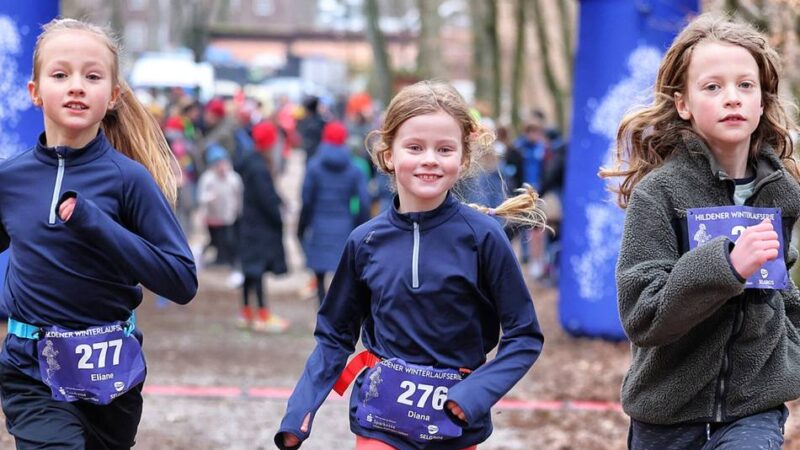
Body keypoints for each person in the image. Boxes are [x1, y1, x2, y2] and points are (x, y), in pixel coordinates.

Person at [275, 80, 545, 450]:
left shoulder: (484, 238)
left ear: (463, 158)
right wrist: (299, 411)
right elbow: (334, 335)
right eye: (415, 147)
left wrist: (474, 395)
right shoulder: (364, 242)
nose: (430, 159)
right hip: (380, 423)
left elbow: (524, 336)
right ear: (388, 155)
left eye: (444, 148)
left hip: (454, 425)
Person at [599, 13, 800, 449]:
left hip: (754, 410)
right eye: (713, 86)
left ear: (762, 102)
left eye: (745, 86)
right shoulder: (660, 194)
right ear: (683, 103)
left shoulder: (782, 193)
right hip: (667, 417)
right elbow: (643, 314)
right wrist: (725, 265)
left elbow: (780, 292)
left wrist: (793, 353)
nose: (732, 98)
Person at [0, 18, 197, 449]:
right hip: (31, 371)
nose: (76, 86)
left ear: (113, 96)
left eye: (92, 76)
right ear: (34, 92)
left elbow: (181, 281)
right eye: (60, 74)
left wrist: (98, 225)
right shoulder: (9, 180)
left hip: (111, 378)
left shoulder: (129, 181)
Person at [297, 121, 371, 306]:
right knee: (343, 270)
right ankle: (341, 310)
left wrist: (303, 224)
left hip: (319, 223)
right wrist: (358, 224)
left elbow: (306, 198)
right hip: (344, 224)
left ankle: (321, 308)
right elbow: (363, 201)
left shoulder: (314, 166)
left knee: (320, 271)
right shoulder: (354, 169)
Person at [237, 121, 290, 333]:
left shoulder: (251, 161)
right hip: (259, 227)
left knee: (250, 271)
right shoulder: (259, 167)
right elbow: (266, 198)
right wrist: (279, 217)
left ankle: (246, 312)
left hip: (250, 225)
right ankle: (262, 314)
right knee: (256, 270)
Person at [197, 144, 243, 268]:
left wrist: (238, 211)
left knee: (229, 239)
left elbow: (238, 196)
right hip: (213, 216)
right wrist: (210, 198)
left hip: (229, 215)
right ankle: (218, 257)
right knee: (216, 240)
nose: (221, 167)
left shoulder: (233, 178)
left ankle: (230, 259)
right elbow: (201, 197)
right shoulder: (207, 179)